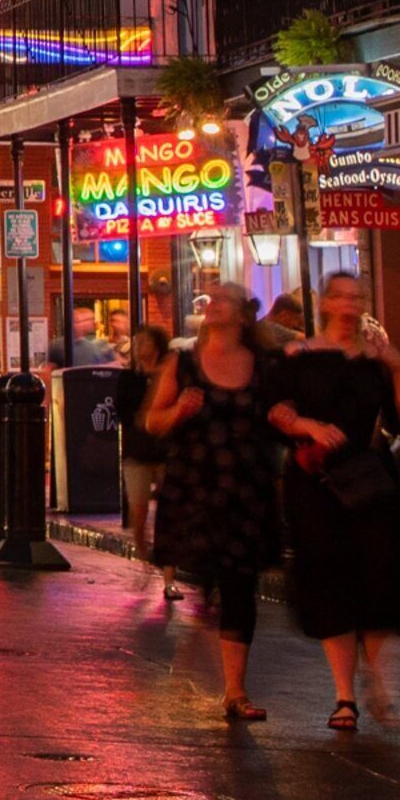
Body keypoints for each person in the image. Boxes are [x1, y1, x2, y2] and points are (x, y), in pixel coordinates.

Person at [267, 271, 400, 732]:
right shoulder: (297, 356)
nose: (351, 306)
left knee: (381, 579)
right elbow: (274, 409)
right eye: (343, 297)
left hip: (372, 481)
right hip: (318, 482)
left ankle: (381, 686)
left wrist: (398, 368)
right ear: (326, 302)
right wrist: (308, 426)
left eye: (359, 298)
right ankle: (344, 696)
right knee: (330, 580)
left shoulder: (376, 360)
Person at [146, 286, 285, 722]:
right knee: (208, 577)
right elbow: (154, 420)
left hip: (247, 488)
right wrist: (179, 411)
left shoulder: (263, 366)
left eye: (227, 298)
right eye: (213, 300)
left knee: (241, 585)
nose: (216, 304)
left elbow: (279, 413)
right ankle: (204, 640)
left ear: (244, 316)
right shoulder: (183, 363)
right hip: (197, 488)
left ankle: (235, 690)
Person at [113, 323, 176, 603]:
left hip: (166, 453)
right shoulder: (129, 379)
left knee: (168, 515)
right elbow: (123, 412)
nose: (139, 348)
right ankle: (144, 559)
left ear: (157, 345)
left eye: (144, 343)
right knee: (139, 515)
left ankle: (169, 579)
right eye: (136, 344)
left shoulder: (170, 376)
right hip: (137, 452)